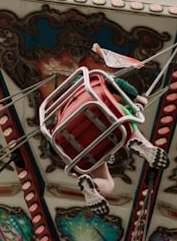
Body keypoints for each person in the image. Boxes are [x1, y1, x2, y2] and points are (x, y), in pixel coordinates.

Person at [63, 74, 168, 216]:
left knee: (107, 180)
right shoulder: (93, 78)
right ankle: (138, 143)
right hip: (100, 116)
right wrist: (137, 98)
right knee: (123, 121)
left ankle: (93, 185)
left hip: (70, 138)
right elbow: (118, 84)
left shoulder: (65, 100)